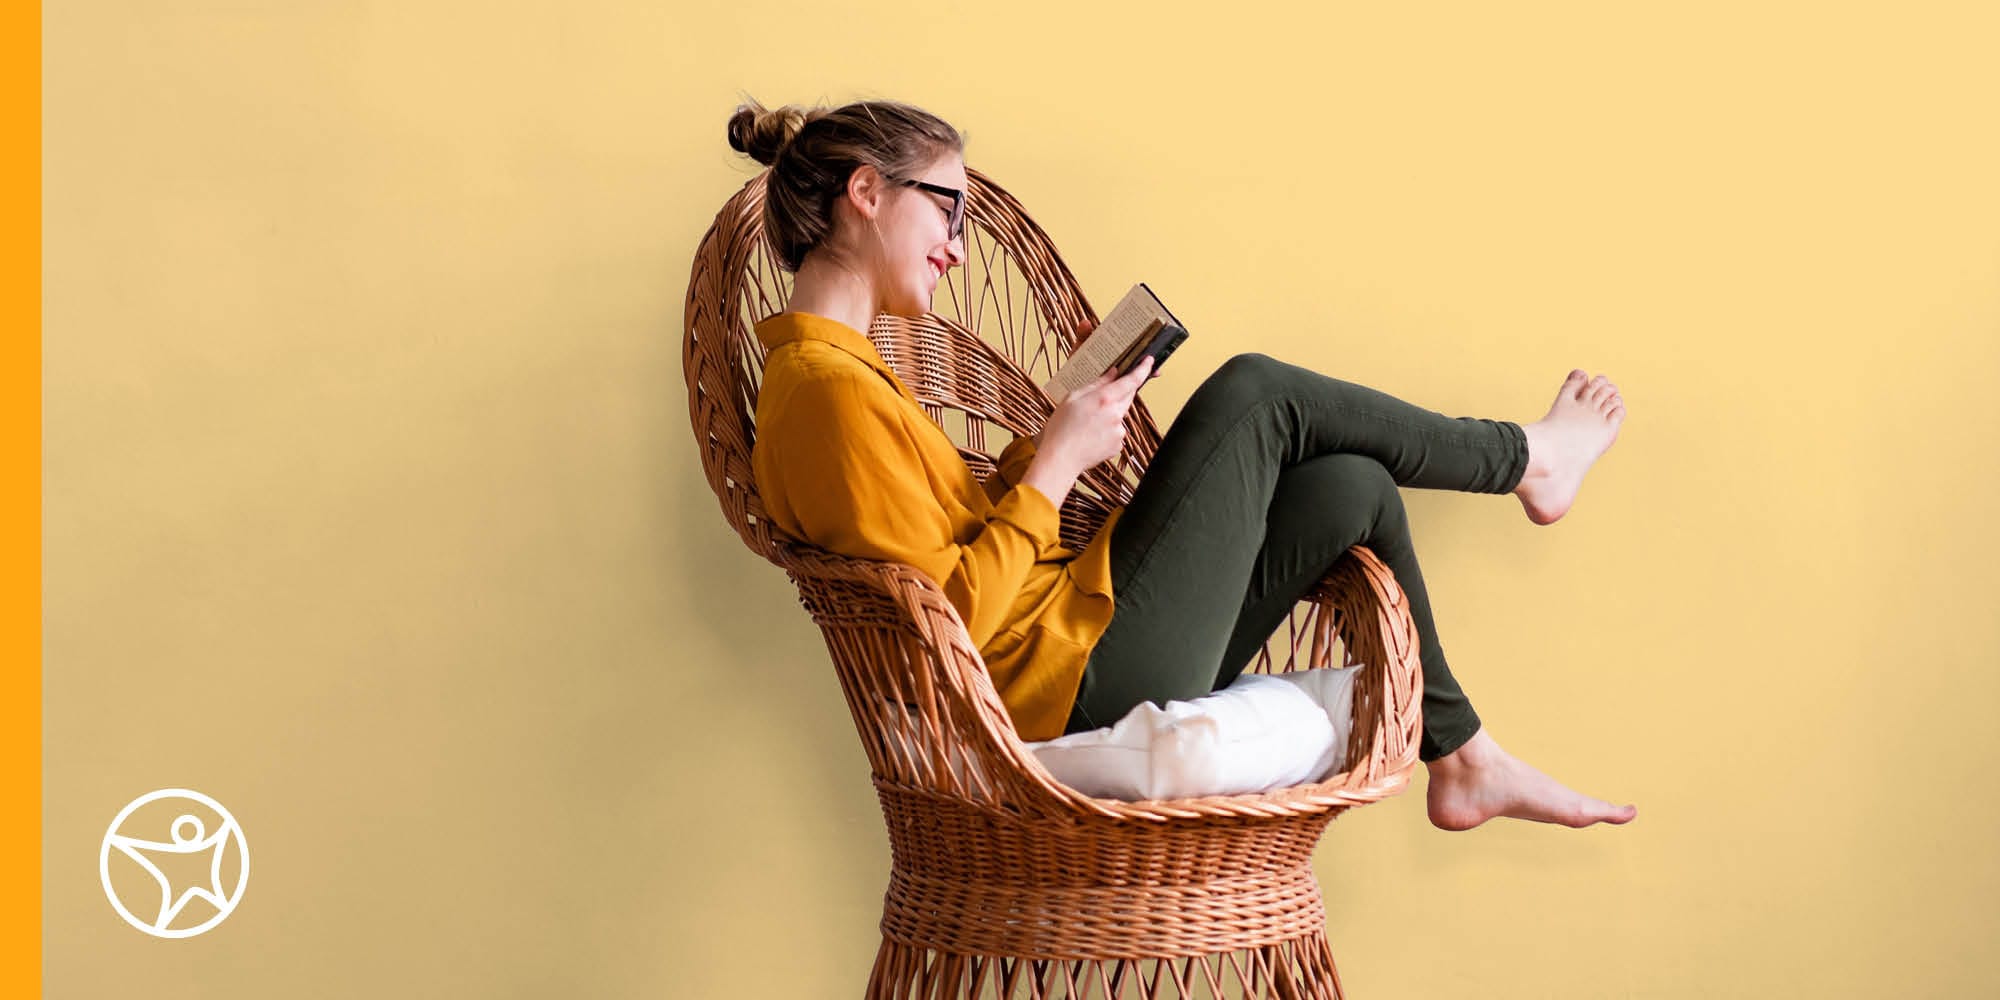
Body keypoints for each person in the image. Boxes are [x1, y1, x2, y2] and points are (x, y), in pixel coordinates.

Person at [728, 96, 1636, 832]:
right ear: (867, 192)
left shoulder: (842, 377)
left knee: (1347, 487)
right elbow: (945, 628)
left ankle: (1466, 759)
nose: (959, 244)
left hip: (1074, 646)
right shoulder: (824, 393)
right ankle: (1526, 459)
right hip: (1066, 686)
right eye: (947, 207)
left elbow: (945, 549)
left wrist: (1053, 434)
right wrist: (1053, 472)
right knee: (1256, 392)